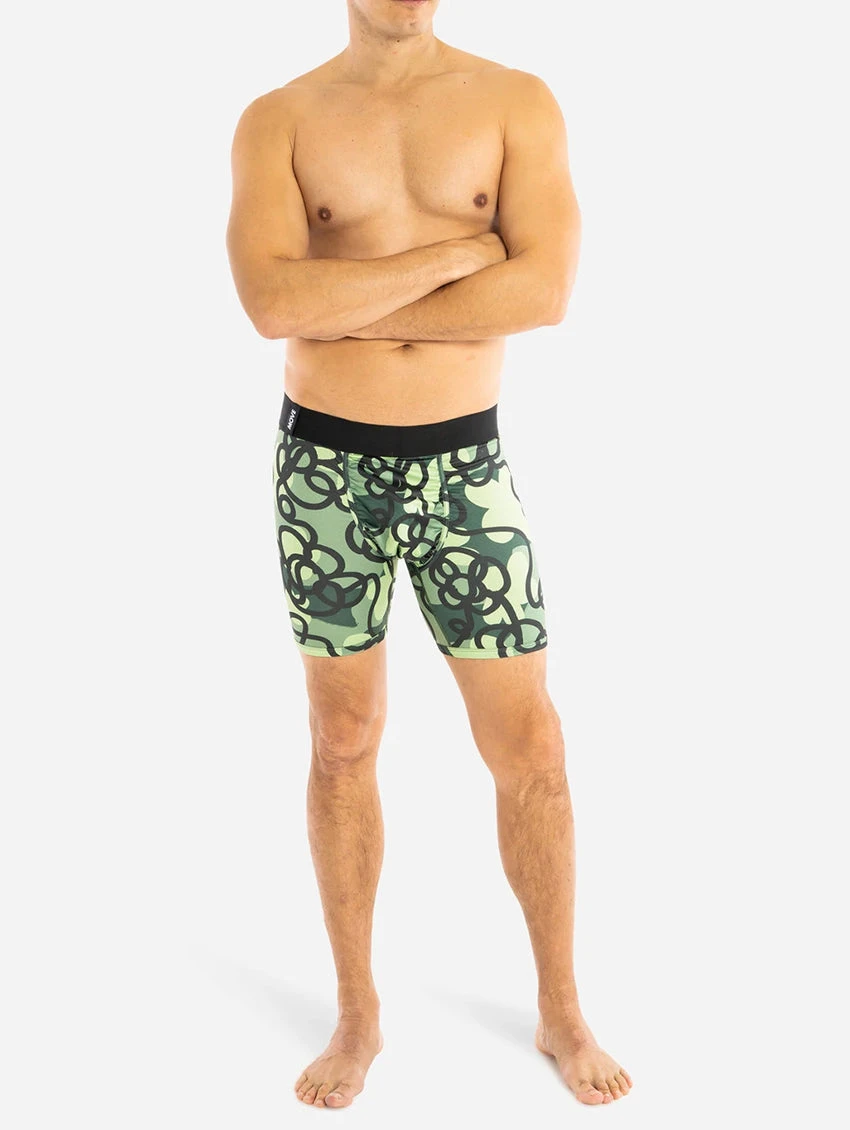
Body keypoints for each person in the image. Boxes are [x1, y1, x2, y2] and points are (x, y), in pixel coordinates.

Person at [226, 0, 631, 1110]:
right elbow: (272, 302)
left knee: (531, 744)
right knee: (342, 740)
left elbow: (543, 291)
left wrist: (339, 299)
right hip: (325, 475)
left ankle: (560, 1008)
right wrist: (458, 253)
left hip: (465, 472)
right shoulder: (279, 118)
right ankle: (357, 1014)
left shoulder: (513, 101)